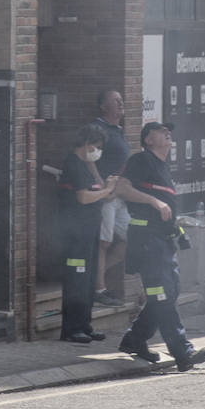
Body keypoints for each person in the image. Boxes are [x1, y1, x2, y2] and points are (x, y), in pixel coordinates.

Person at [114, 121, 205, 371]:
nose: (168, 133)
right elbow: (121, 188)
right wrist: (154, 202)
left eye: (169, 130)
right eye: (160, 130)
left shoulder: (162, 166)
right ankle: (183, 352)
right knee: (162, 295)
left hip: (163, 241)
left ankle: (134, 339)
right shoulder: (141, 161)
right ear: (148, 140)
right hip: (146, 241)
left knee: (168, 294)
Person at [57, 124, 119, 343]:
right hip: (76, 233)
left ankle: (85, 324)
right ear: (86, 143)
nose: (98, 151)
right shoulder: (73, 164)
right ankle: (72, 329)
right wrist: (108, 190)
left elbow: (99, 191)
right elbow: (83, 197)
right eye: (97, 146)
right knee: (76, 279)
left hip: (89, 231)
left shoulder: (85, 165)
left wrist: (99, 175)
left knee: (88, 278)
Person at [93, 89, 131, 307]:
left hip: (120, 196)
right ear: (103, 106)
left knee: (130, 238)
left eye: (121, 99)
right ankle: (99, 288)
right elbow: (90, 159)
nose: (121, 103)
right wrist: (102, 188)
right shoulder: (99, 129)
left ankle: (94, 275)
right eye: (115, 100)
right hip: (106, 197)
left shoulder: (118, 130)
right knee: (104, 241)